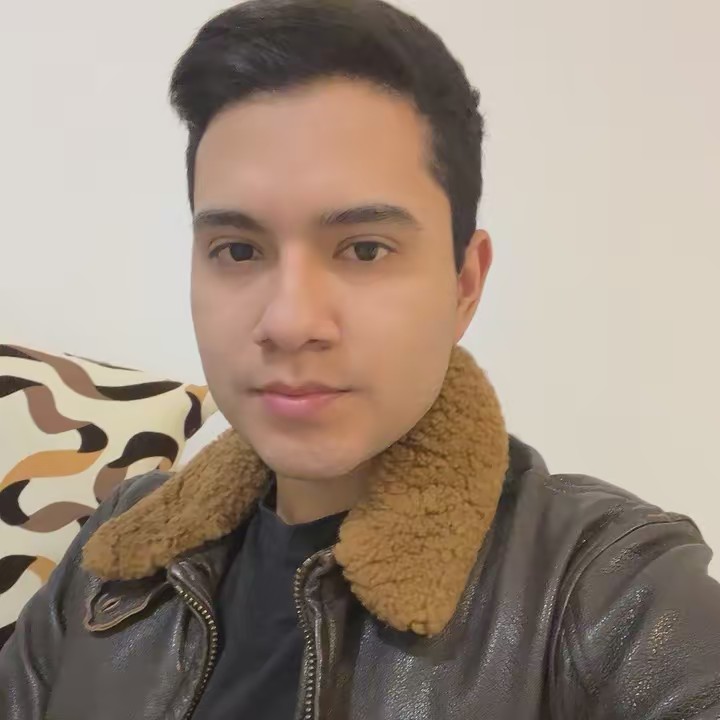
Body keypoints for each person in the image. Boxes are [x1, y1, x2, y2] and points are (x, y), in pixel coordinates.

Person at [2, 0, 720, 717]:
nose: (289, 322)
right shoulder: (121, 547)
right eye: (239, 250)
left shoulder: (606, 589)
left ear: (464, 284)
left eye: (366, 249)